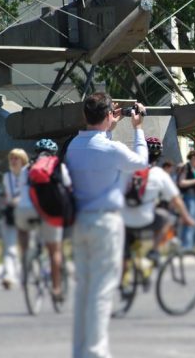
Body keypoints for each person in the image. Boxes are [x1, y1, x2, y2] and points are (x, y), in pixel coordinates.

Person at [66, 93, 147, 358]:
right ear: (109, 114)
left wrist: (110, 122)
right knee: (102, 290)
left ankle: (80, 350)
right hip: (106, 222)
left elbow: (97, 146)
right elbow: (141, 163)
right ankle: (95, 351)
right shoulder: (111, 149)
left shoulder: (73, 146)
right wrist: (138, 129)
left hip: (81, 220)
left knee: (84, 290)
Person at [121, 137, 195, 264]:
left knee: (125, 257)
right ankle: (154, 251)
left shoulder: (128, 170)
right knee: (168, 219)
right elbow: (176, 200)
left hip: (125, 220)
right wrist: (187, 218)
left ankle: (125, 273)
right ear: (159, 156)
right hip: (145, 219)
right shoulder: (159, 174)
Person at [15, 139, 70, 299]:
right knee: (54, 251)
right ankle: (56, 288)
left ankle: (26, 257)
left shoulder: (26, 169)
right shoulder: (59, 167)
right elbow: (67, 186)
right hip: (48, 211)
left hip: (25, 211)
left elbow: (20, 190)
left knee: (23, 228)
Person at [0, 148, 28, 290]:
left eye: (16, 158)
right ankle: (8, 275)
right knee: (9, 246)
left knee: (27, 246)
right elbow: (6, 194)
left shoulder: (29, 174)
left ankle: (26, 274)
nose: (13, 161)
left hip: (25, 212)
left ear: (23, 160)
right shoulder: (7, 177)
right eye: (11, 158)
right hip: (11, 212)